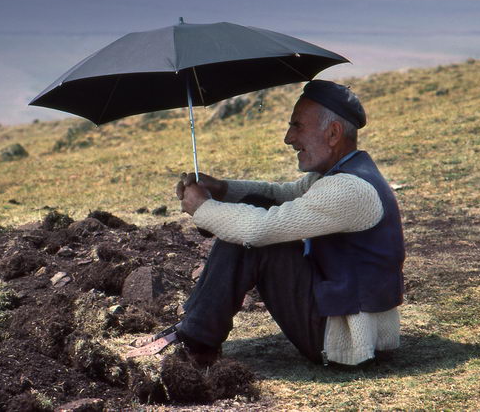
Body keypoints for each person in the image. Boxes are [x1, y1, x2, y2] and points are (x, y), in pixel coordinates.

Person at [130, 80, 405, 367]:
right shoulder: (342, 174)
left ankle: (196, 339)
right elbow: (279, 196)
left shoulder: (348, 189)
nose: (288, 138)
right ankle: (195, 332)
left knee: (254, 239)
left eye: (297, 126)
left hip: (347, 341)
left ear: (333, 133)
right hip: (343, 318)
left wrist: (203, 207)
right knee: (257, 210)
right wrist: (223, 189)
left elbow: (260, 229)